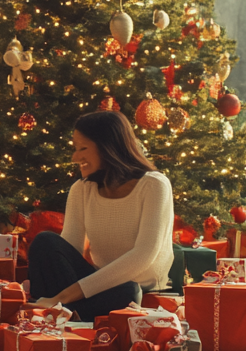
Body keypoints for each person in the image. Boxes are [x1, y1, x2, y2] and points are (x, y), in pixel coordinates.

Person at [26, 110, 175, 320]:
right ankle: (58, 315)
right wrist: (62, 292)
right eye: (75, 149)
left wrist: (61, 297)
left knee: (129, 292)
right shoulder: (81, 189)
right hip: (94, 286)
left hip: (135, 289)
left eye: (83, 148)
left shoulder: (154, 185)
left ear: (108, 148)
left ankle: (56, 312)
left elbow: (142, 257)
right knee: (45, 242)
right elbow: (67, 253)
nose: (75, 157)